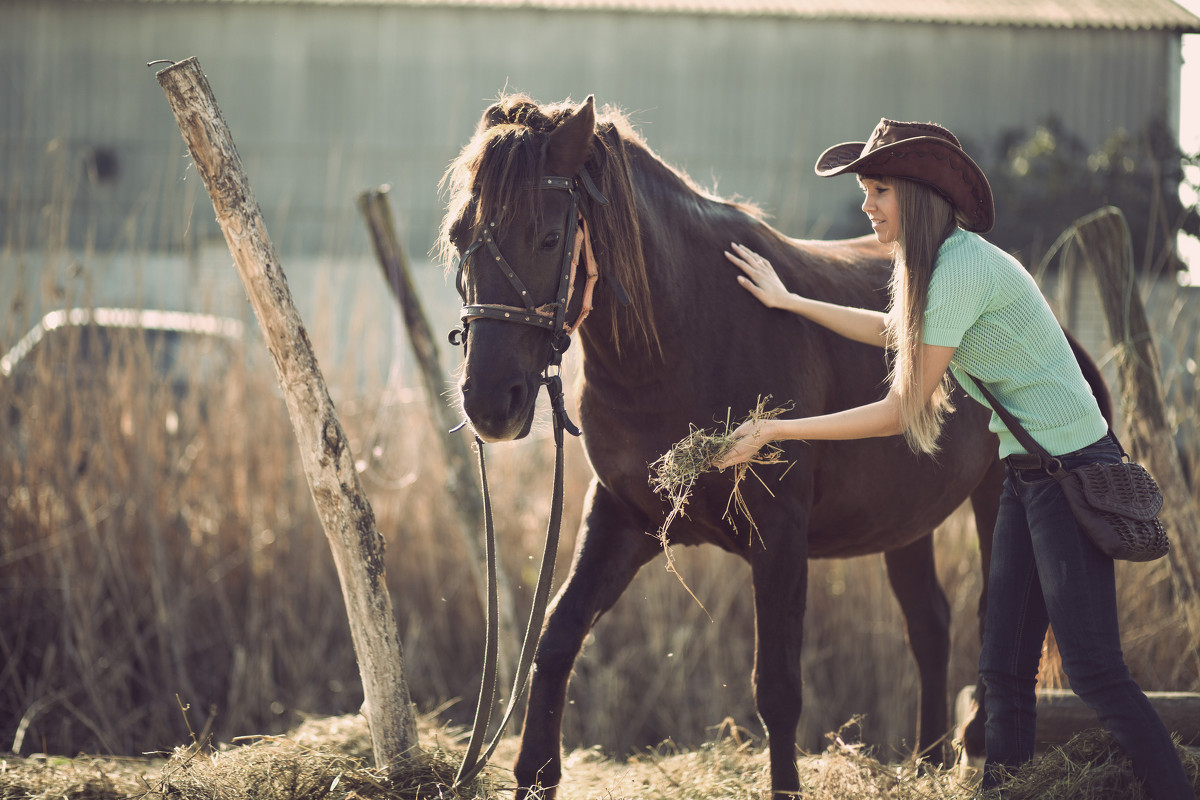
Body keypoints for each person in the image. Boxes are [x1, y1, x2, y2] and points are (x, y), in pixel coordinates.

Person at [716, 118, 1193, 799]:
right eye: (866, 191)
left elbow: (899, 410)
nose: (866, 206)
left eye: (878, 190)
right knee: (1002, 672)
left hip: (1073, 475)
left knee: (1095, 673)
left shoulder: (962, 269)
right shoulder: (932, 266)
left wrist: (775, 430)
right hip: (1031, 480)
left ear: (915, 195)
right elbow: (894, 331)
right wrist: (791, 301)